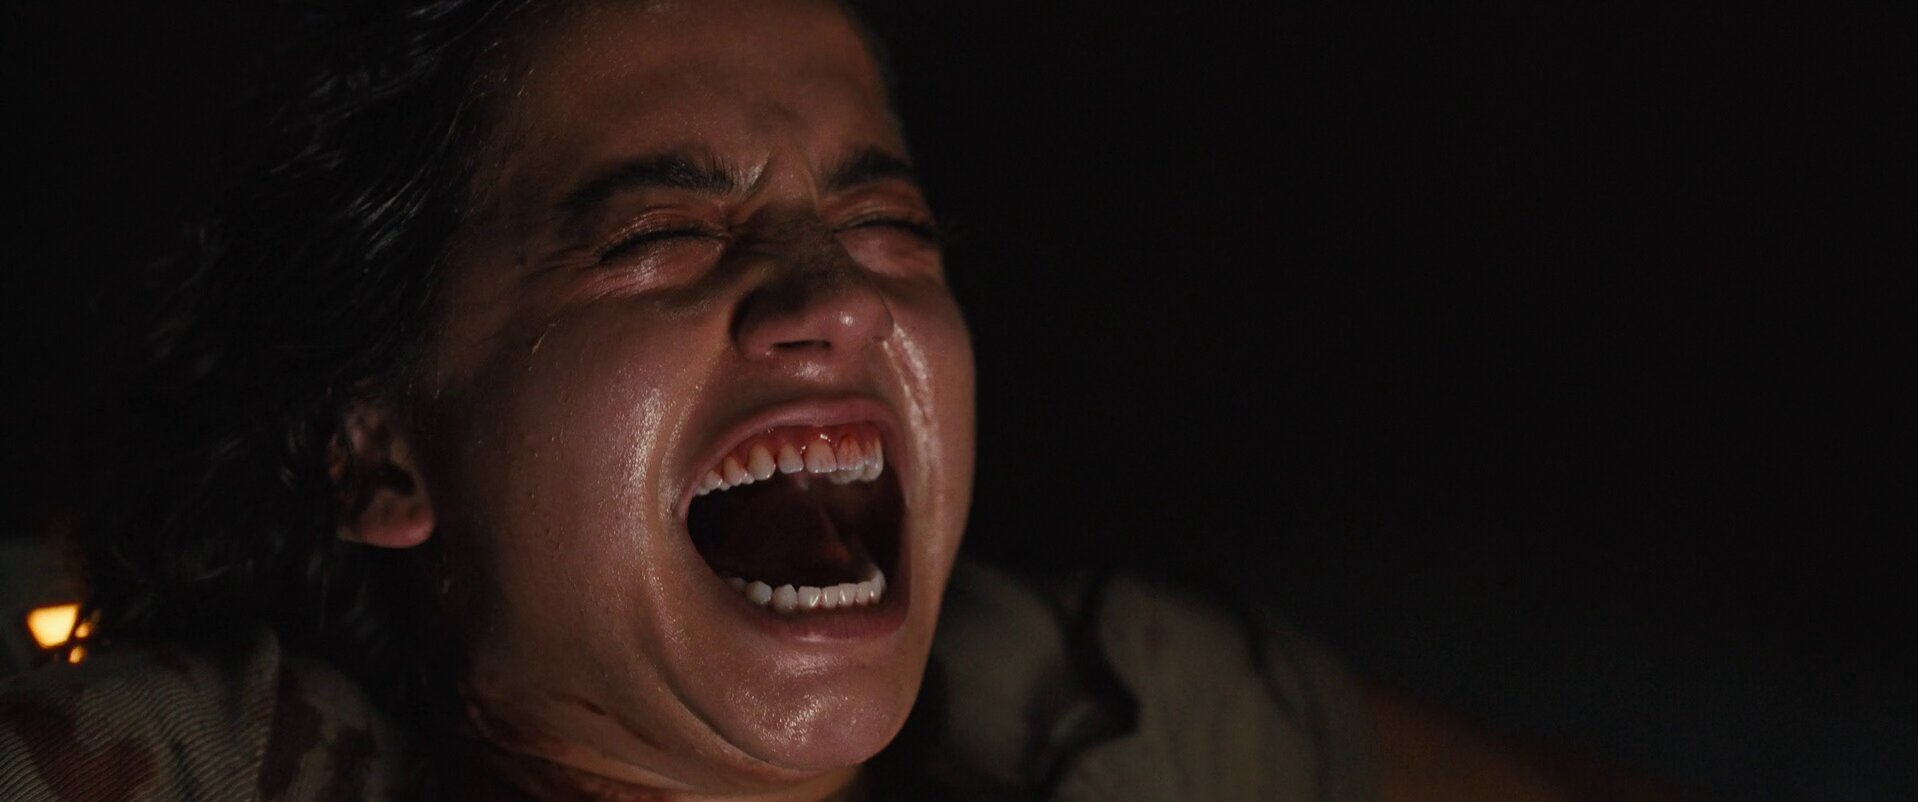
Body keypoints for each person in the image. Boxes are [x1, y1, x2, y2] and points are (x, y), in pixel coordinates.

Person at [1, 1, 1678, 799]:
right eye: (657, 235)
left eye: (888, 227)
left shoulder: (1113, 712)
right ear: (378, 445)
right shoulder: (171, 766)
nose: (841, 298)